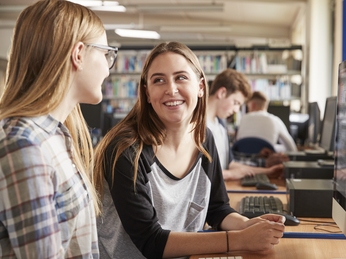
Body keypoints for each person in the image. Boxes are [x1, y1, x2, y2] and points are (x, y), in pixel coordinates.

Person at [93, 42, 285, 259]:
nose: (171, 89)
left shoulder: (203, 139)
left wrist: (247, 225)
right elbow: (150, 241)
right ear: (147, 93)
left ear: (201, 87)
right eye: (159, 80)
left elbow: (217, 209)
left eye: (181, 77)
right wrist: (240, 239)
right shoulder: (126, 150)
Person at [0, 0, 117, 257]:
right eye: (106, 54)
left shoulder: (57, 134)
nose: (109, 71)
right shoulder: (24, 144)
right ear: (78, 54)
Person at [207, 69, 288, 180]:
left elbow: (231, 165)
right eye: (235, 103)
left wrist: (267, 172)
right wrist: (231, 174)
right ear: (222, 93)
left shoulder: (220, 125)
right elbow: (199, 174)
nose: (236, 110)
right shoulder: (195, 125)